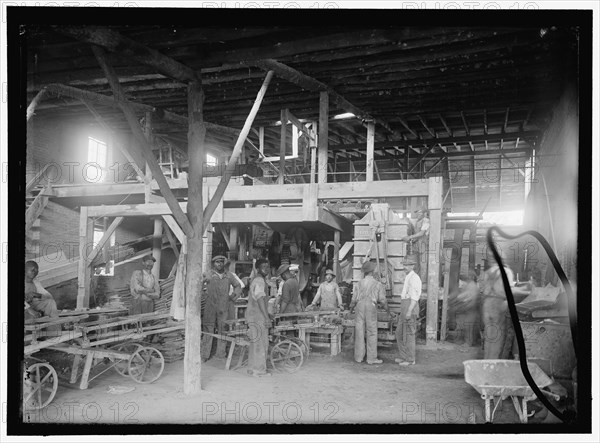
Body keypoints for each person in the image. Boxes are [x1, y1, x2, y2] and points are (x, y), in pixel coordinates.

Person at [349, 260, 394, 365]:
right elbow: (382, 301)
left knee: (359, 332)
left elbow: (353, 300)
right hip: (371, 306)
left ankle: (359, 357)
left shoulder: (359, 283)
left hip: (359, 306)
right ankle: (371, 358)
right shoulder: (377, 284)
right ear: (372, 271)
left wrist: (350, 310)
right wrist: (389, 311)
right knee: (372, 332)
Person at [202, 255, 242, 361]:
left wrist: (233, 297)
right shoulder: (208, 274)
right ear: (213, 263)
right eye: (217, 262)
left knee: (222, 330)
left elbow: (238, 286)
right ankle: (204, 355)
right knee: (208, 329)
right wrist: (204, 295)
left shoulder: (229, 276)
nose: (219, 264)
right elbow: (199, 285)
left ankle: (220, 354)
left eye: (221, 262)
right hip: (210, 307)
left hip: (223, 307)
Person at [480, 251, 519, 359]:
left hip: (487, 304)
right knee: (497, 336)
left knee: (489, 335)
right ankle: (493, 363)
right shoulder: (506, 272)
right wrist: (526, 289)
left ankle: (486, 361)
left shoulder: (486, 273)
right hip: (498, 303)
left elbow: (482, 290)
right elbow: (508, 291)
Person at [246, 258, 272, 377]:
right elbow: (260, 298)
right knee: (261, 343)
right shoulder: (260, 280)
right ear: (257, 269)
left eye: (268, 267)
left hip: (253, 314)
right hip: (257, 315)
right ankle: (259, 370)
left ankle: (252, 368)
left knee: (255, 342)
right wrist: (266, 317)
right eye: (263, 267)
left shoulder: (257, 279)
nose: (266, 269)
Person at [395, 256, 422, 366]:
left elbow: (415, 297)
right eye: (404, 265)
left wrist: (409, 311)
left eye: (407, 265)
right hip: (405, 306)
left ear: (412, 266)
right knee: (399, 333)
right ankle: (404, 356)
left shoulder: (414, 278)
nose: (404, 267)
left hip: (410, 307)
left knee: (409, 334)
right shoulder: (408, 277)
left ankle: (410, 359)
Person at [401, 209, 430, 284]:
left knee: (423, 264)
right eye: (417, 213)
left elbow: (422, 233)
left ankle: (423, 283)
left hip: (424, 245)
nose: (418, 214)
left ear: (424, 213)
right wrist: (413, 239)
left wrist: (410, 237)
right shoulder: (417, 222)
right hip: (417, 245)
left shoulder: (426, 220)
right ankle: (417, 282)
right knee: (416, 265)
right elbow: (416, 234)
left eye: (420, 213)